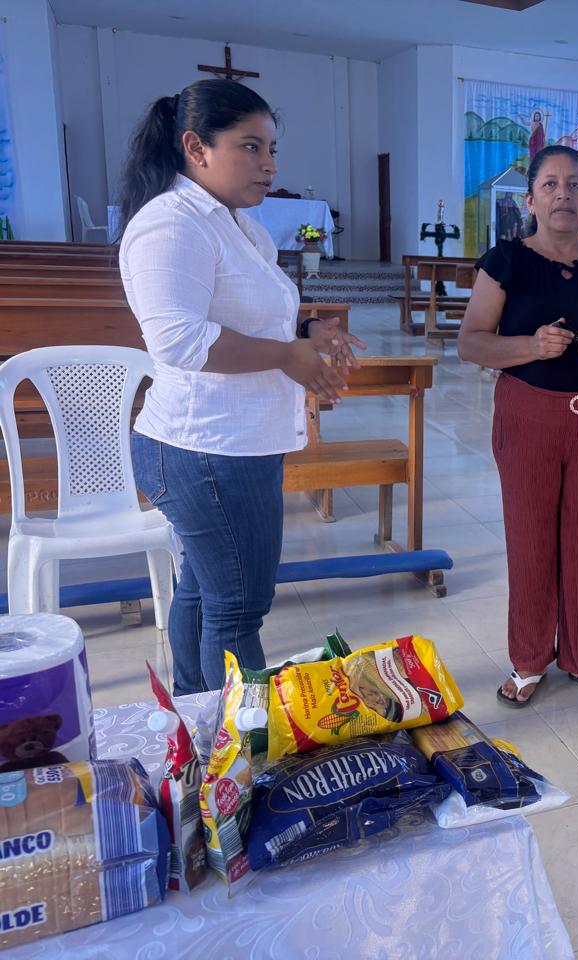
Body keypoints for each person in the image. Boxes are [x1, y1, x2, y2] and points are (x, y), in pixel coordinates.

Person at [119, 79, 364, 696]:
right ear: (195, 147)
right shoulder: (171, 224)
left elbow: (248, 310)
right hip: (206, 447)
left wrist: (306, 330)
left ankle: (201, 720)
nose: (270, 165)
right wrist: (287, 356)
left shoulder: (240, 225)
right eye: (251, 147)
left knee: (206, 591)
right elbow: (178, 339)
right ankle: (241, 742)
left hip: (234, 442)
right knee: (238, 606)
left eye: (272, 149)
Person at [457, 144, 578, 707]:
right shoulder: (506, 262)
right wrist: (530, 345)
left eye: (574, 185)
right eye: (550, 184)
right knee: (530, 537)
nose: (563, 194)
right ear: (531, 200)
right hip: (527, 413)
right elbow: (471, 343)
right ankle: (528, 658)